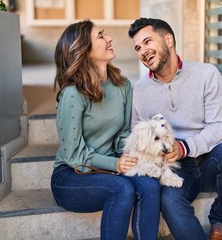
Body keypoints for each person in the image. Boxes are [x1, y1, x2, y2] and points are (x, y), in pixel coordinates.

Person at [128, 17, 222, 240]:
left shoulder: (207, 74)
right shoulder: (138, 91)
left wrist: (185, 146)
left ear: (168, 39)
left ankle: (220, 221)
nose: (143, 51)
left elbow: (218, 127)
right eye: (138, 47)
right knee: (169, 200)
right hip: (175, 167)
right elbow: (138, 137)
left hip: (209, 158)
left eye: (148, 42)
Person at [50, 20, 161, 240]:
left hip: (110, 168)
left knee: (149, 184)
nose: (109, 38)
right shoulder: (73, 94)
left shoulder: (122, 85)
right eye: (101, 36)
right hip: (72, 176)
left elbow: (121, 136)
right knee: (121, 188)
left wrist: (138, 150)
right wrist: (116, 164)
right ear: (85, 50)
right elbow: (73, 155)